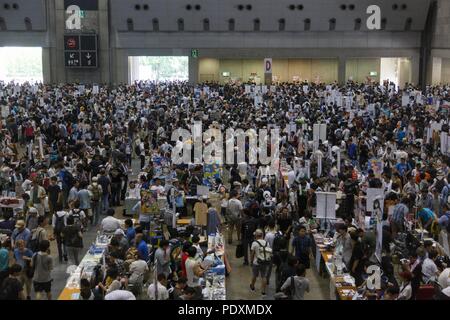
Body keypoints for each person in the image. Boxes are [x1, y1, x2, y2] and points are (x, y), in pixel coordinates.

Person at [250, 229, 271, 296]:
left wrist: (251, 261)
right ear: (262, 235)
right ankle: (263, 291)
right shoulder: (267, 243)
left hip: (256, 262)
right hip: (264, 262)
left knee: (254, 275)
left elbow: (252, 254)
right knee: (263, 276)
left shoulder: (254, 243)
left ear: (256, 235)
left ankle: (252, 287)